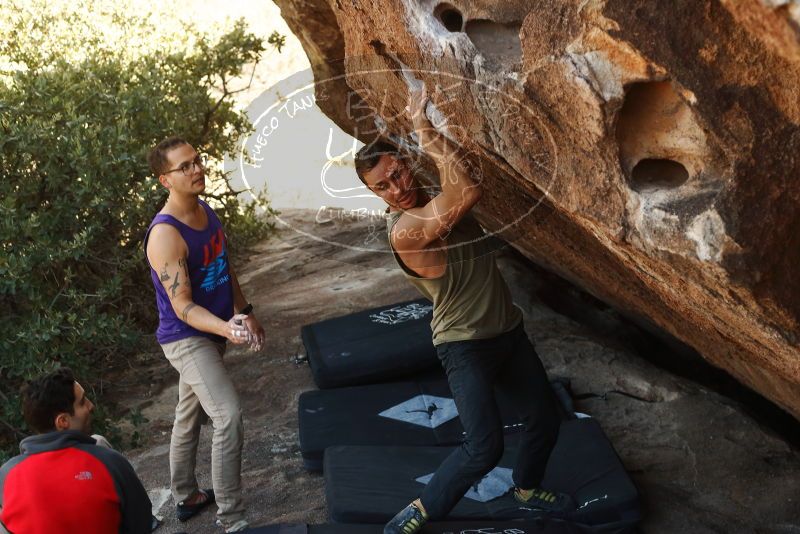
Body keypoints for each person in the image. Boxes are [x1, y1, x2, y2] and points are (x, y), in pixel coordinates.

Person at [354, 88, 573, 534]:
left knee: (544, 417)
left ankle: (527, 490)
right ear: (374, 194)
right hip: (464, 345)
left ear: (406, 163)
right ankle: (420, 510)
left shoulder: (428, 196)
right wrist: (425, 131)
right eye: (384, 185)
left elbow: (457, 182)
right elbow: (469, 190)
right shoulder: (405, 232)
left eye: (397, 173)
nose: (397, 188)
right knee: (483, 447)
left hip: (507, 332)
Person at [144, 136, 265, 533]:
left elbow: (223, 268)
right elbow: (182, 306)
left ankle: (185, 495)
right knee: (227, 415)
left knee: (189, 412)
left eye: (197, 161)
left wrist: (243, 312)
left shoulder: (205, 210)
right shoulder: (165, 234)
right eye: (184, 166)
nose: (196, 169)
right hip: (187, 337)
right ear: (165, 180)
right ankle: (232, 516)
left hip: (213, 329)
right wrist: (226, 329)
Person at [0, 367, 154, 534]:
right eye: (82, 402)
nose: (90, 405)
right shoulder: (108, 462)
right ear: (63, 421)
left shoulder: (6, 475)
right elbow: (142, 523)